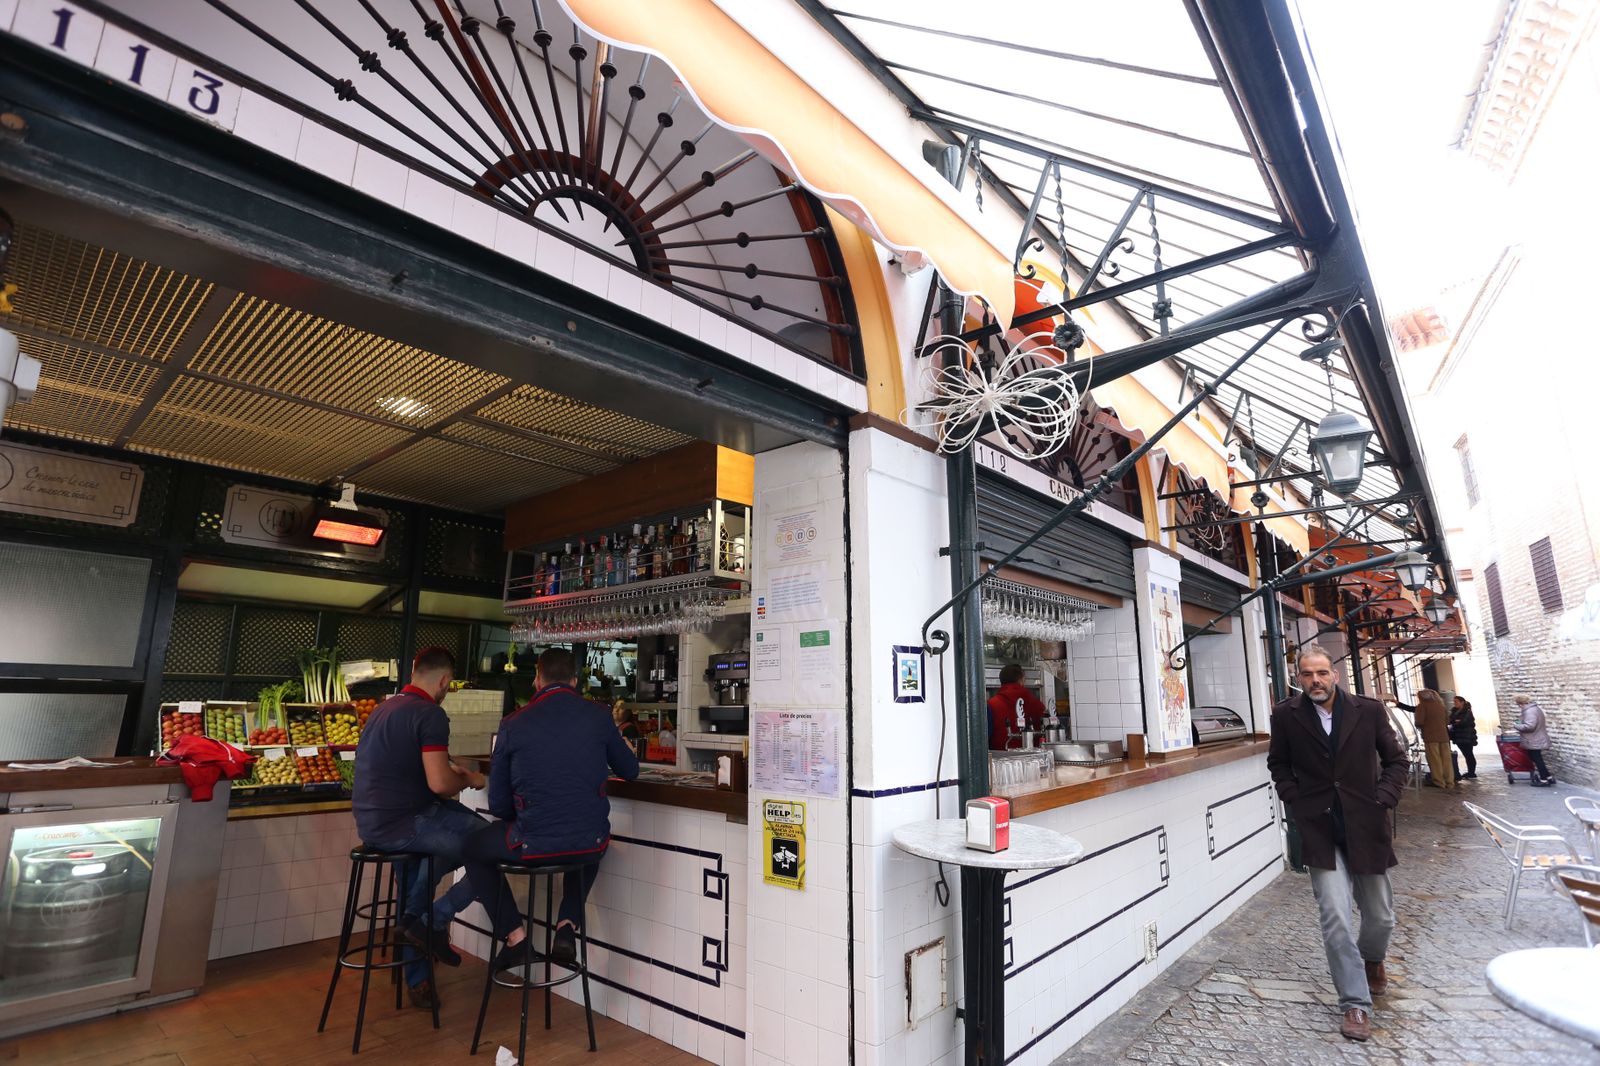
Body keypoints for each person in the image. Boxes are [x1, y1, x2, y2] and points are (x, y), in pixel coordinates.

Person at [459, 647, 640, 971]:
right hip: (589, 841)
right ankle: (567, 925)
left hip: (532, 843)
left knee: (472, 847)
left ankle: (515, 938)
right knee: (590, 840)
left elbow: (499, 805)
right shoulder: (600, 715)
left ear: (537, 680)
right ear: (574, 681)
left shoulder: (512, 723)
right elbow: (630, 771)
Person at [1267, 644, 1409, 1043]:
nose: (1316, 680)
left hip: (1366, 823)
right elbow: (1278, 762)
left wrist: (1384, 797)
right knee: (1335, 918)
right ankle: (1354, 1005)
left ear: (1335, 674)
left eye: (1322, 673)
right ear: (1298, 677)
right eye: (1308, 674)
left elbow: (1397, 760)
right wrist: (1294, 798)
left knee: (1380, 916)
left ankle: (1373, 960)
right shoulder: (1286, 715)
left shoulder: (1369, 710)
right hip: (1320, 827)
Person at [352, 646, 489, 1009]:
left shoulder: (383, 710)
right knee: (491, 846)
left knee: (419, 872)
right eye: (449, 684)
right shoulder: (430, 714)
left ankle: (416, 955)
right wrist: (471, 780)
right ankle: (432, 920)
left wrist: (450, 768)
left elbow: (418, 766)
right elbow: (441, 785)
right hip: (406, 823)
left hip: (374, 824)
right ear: (444, 680)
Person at [987, 664, 1046, 750]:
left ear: (1001, 681)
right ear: (1021, 680)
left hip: (1001, 759)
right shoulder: (1038, 705)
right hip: (1034, 759)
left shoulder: (991, 705)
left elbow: (984, 738)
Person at [1410, 690, 1455, 790]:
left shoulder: (1422, 706)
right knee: (1446, 760)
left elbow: (1419, 721)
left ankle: (1439, 782)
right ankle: (1449, 781)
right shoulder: (1441, 706)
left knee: (1435, 760)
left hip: (1431, 736)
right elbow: (1447, 720)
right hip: (1444, 736)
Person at [1512, 694, 1556, 785]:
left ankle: (1544, 780)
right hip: (1536, 738)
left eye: (1518, 704)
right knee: (1536, 758)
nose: (1519, 707)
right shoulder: (1534, 709)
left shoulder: (1530, 711)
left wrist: (1516, 725)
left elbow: (1530, 726)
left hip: (1534, 739)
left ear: (1521, 703)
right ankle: (1548, 777)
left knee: (1537, 759)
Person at [1448, 696, 1478, 780]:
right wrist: (1456, 721)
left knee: (1469, 754)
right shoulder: (1454, 711)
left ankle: (1472, 772)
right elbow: (1450, 720)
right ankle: (1470, 772)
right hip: (1459, 736)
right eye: (1454, 701)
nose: (1455, 703)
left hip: (1467, 736)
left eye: (1456, 701)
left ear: (1462, 702)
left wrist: (1457, 721)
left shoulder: (1467, 711)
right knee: (1466, 754)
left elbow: (1463, 722)